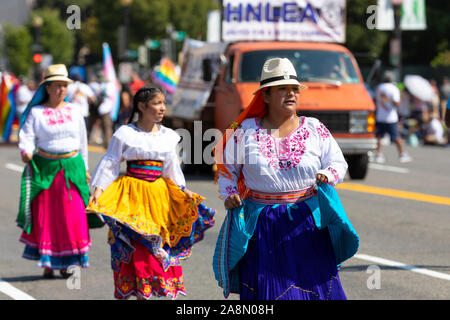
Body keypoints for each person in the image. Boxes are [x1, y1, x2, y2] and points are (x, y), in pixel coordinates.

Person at [212, 58, 358, 300]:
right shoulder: (246, 131)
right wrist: (229, 195)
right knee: (272, 291)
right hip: (263, 225)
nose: (291, 94)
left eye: (294, 89)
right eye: (282, 89)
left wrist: (327, 175)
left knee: (313, 288)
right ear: (265, 97)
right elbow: (227, 170)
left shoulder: (314, 128)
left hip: (307, 223)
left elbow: (338, 162)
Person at [86, 86, 215, 300]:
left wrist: (184, 191)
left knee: (155, 248)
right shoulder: (126, 134)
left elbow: (172, 168)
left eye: (163, 103)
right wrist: (98, 190)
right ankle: (137, 292)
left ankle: (146, 292)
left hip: (158, 198)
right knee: (135, 246)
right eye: (156, 103)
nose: (162, 108)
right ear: (141, 106)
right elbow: (110, 162)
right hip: (131, 196)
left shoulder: (168, 137)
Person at [17, 64, 91, 279]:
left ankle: (69, 262)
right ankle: (48, 261)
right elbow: (27, 136)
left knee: (73, 216)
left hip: (72, 167)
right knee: (48, 216)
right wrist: (26, 151)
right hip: (46, 169)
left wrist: (85, 168)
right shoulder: (37, 112)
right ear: (47, 88)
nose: (61, 90)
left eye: (64, 86)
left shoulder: (74, 111)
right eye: (57, 86)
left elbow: (82, 142)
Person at [374, 71, 412, 163]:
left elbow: (376, 99)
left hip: (380, 116)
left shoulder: (378, 87)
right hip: (391, 117)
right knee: (396, 137)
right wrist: (401, 98)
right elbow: (396, 103)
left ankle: (379, 154)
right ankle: (402, 154)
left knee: (379, 136)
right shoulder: (393, 88)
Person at [87, 72, 116, 148]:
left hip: (97, 107)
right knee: (106, 127)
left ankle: (86, 141)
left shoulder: (92, 85)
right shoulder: (110, 85)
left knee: (91, 126)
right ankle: (108, 144)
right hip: (104, 108)